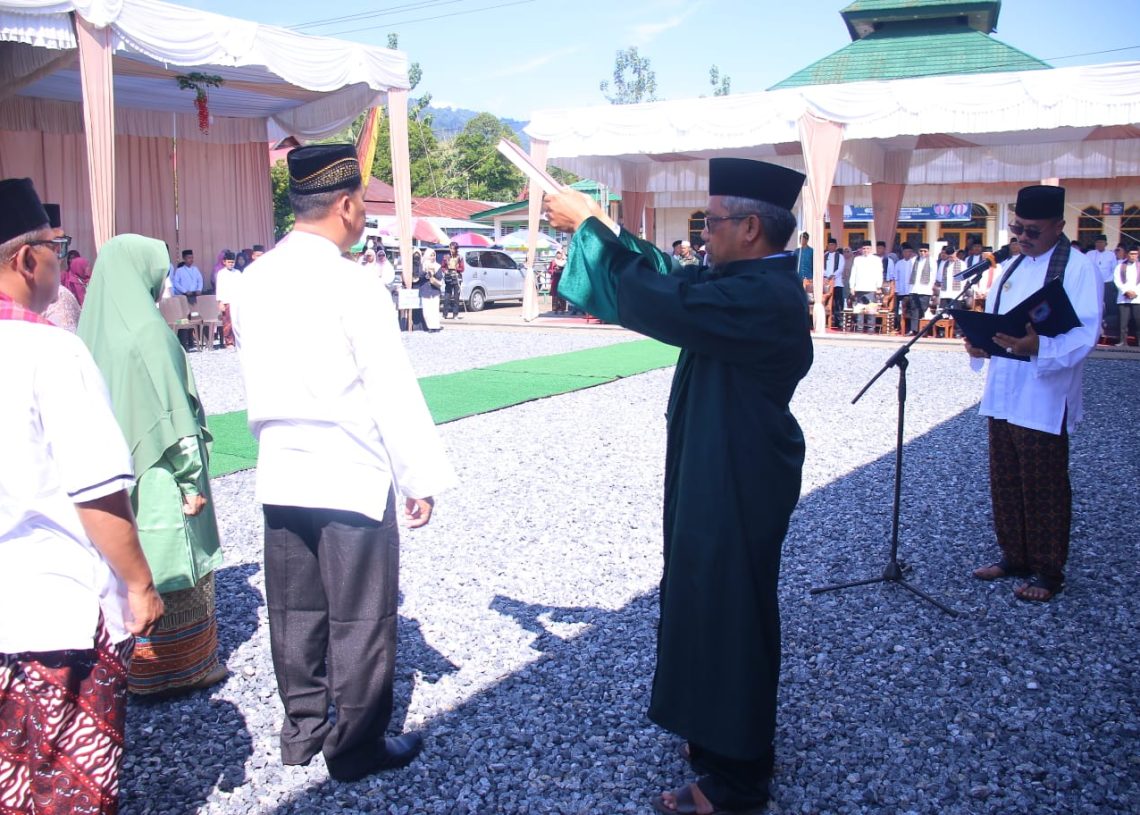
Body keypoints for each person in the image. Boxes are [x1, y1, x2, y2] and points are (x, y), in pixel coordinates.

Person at [544, 158, 812, 815]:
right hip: (721, 467)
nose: (702, 235)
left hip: (739, 476)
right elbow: (673, 278)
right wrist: (603, 227)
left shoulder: (763, 296)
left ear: (750, 227)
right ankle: (720, 734)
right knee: (707, 597)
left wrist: (589, 233)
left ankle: (741, 777)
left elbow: (668, 299)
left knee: (732, 610)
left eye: (711, 222)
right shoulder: (747, 281)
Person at [231, 144, 456, 782]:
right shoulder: (352, 281)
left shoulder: (255, 278)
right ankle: (355, 747)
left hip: (279, 463)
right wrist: (419, 476)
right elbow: (388, 385)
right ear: (349, 204)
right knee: (360, 612)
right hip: (346, 466)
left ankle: (301, 729)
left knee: (295, 608)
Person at [0, 177, 165, 814]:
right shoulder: (49, 352)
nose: (60, 260)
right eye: (55, 245)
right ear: (25, 259)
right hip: (50, 614)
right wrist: (139, 583)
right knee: (66, 782)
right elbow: (96, 491)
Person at [77, 234, 228, 695]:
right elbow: (174, 417)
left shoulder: (92, 331)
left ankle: (135, 666)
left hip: (116, 475)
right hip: (161, 470)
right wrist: (189, 481)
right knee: (174, 562)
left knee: (131, 559)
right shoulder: (147, 333)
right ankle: (182, 668)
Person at [966, 185, 1101, 603]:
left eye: (1033, 231)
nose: (1023, 238)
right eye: (1017, 229)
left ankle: (1047, 570)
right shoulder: (1011, 267)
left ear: (1059, 227)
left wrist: (1039, 347)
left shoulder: (1077, 268)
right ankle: (1014, 556)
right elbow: (996, 322)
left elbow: (1086, 334)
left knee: (1043, 485)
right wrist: (979, 344)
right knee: (1005, 480)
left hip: (1043, 395)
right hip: (1005, 391)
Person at [848, 241, 883, 333]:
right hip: (859, 287)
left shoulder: (876, 259)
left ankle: (871, 328)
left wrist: (879, 286)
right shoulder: (857, 259)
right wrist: (852, 286)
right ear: (861, 249)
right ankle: (860, 327)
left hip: (871, 287)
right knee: (859, 308)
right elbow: (853, 273)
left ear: (871, 249)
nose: (866, 250)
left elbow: (879, 273)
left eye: (867, 248)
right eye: (864, 248)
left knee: (871, 308)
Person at [907, 243, 938, 334]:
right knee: (914, 309)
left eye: (925, 251)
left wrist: (931, 287)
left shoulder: (932, 261)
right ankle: (914, 329)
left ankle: (923, 330)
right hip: (914, 288)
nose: (923, 253)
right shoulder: (913, 260)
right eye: (921, 251)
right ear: (918, 251)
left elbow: (933, 276)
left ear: (928, 251)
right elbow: (910, 273)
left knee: (923, 309)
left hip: (925, 289)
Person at [215, 249, 240, 348]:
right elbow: (219, 288)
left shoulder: (238, 272)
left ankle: (237, 341)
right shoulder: (221, 273)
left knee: (237, 321)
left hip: (237, 301)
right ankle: (229, 342)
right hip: (226, 301)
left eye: (232, 262)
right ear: (224, 262)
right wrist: (220, 302)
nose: (231, 264)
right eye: (229, 262)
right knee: (228, 322)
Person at [1115, 245, 1139, 346]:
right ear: (1127, 255)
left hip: (1137, 298)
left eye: (1135, 254)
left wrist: (1135, 292)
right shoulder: (1120, 266)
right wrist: (1126, 291)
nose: (1134, 256)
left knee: (1138, 321)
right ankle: (1122, 341)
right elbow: (1117, 281)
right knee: (1123, 322)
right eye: (1131, 254)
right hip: (1123, 297)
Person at [417, 249, 444, 331]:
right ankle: (430, 326)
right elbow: (419, 276)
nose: (432, 257)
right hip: (425, 290)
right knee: (426, 311)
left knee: (434, 310)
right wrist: (426, 272)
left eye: (434, 255)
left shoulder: (437, 266)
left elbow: (440, 277)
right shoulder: (422, 265)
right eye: (431, 255)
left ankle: (436, 326)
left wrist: (433, 273)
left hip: (434, 290)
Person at [823, 236, 845, 328]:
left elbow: (841, 268)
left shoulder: (840, 256)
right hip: (826, 283)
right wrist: (826, 276)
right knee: (826, 303)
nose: (831, 247)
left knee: (837, 304)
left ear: (836, 246)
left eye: (833, 245)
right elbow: (821, 267)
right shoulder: (824, 255)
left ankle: (838, 321)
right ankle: (826, 321)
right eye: (829, 245)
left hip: (837, 283)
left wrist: (833, 275)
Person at [442, 241, 464, 319]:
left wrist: (456, 268)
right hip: (448, 277)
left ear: (456, 249)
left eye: (453, 249)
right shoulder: (446, 257)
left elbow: (462, 268)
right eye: (450, 248)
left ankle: (455, 314)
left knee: (456, 297)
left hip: (457, 277)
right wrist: (445, 271)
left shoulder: (460, 257)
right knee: (447, 296)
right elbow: (443, 267)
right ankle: (445, 314)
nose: (452, 250)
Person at [549, 249, 567, 313]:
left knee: (562, 295)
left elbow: (567, 270)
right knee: (555, 295)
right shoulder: (553, 261)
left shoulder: (565, 262)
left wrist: (562, 271)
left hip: (562, 279)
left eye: (559, 253)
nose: (558, 254)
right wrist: (554, 271)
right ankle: (555, 309)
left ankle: (563, 309)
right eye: (557, 253)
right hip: (555, 280)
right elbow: (549, 270)